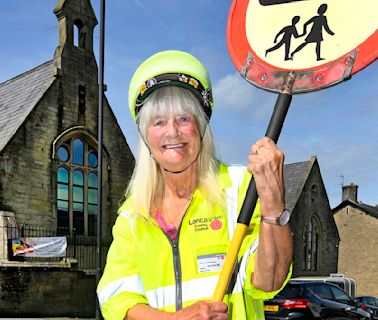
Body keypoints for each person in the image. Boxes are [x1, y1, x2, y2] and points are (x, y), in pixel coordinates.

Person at [97, 50, 293, 320]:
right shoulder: (133, 215)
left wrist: (273, 201)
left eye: (184, 118)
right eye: (158, 121)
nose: (172, 132)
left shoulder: (239, 188)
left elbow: (268, 281)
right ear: (145, 137)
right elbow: (117, 299)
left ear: (201, 127)